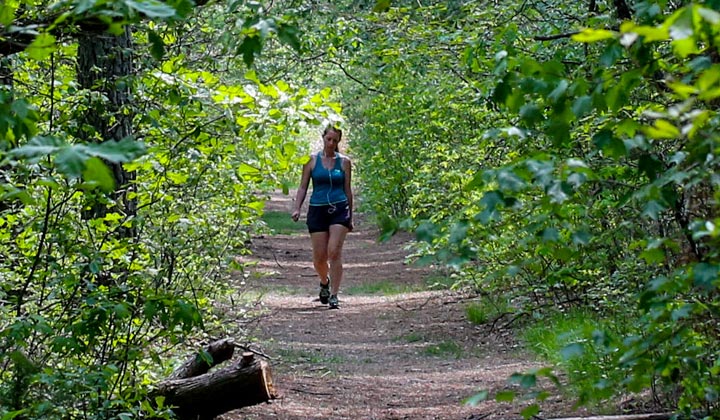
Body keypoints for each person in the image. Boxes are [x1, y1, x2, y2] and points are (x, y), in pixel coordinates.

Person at [291, 125, 353, 309]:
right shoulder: (311, 160)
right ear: (323, 138)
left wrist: (351, 216)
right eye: (329, 139)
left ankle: (334, 294)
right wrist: (297, 208)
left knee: (334, 251)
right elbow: (303, 187)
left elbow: (348, 190)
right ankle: (324, 282)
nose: (331, 143)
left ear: (338, 142)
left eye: (335, 140)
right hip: (317, 209)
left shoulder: (344, 162)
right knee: (319, 257)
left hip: (339, 209)